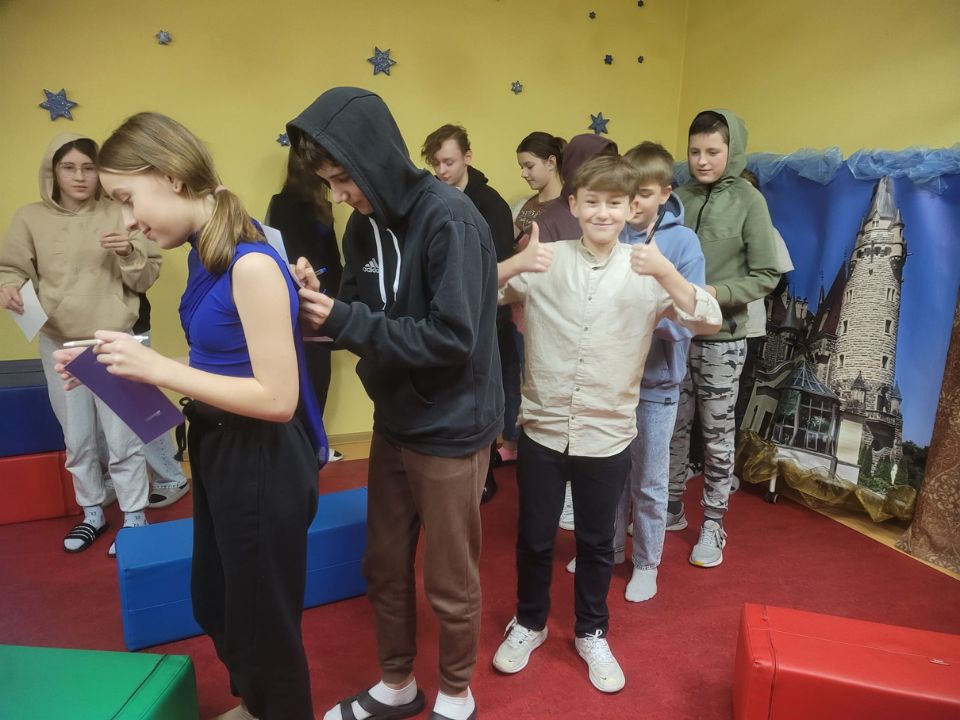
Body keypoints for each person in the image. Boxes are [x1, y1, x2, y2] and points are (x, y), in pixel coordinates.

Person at [56, 112, 326, 720]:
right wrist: (116, 365)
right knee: (216, 599)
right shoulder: (209, 254)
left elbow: (278, 398)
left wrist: (155, 366)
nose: (128, 220)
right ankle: (257, 705)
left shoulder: (251, 263)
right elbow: (216, 364)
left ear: (172, 176)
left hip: (261, 456)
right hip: (219, 444)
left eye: (127, 198)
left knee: (263, 623)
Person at [288, 87, 502, 720]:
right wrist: (318, 302)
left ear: (374, 157)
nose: (339, 194)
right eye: (328, 183)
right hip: (397, 419)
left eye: (343, 178)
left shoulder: (451, 219)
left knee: (449, 577)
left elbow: (454, 338)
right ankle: (397, 685)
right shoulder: (362, 225)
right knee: (383, 564)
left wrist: (345, 319)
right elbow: (362, 310)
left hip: (452, 425)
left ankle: (457, 695)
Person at [492, 155, 721, 693]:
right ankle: (529, 621)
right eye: (591, 201)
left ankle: (591, 630)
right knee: (535, 537)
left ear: (630, 207)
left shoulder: (646, 267)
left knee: (597, 542)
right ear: (573, 205)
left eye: (614, 203)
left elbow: (707, 319)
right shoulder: (545, 259)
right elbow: (471, 293)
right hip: (544, 429)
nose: (602, 212)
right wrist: (514, 263)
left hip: (608, 433)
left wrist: (666, 272)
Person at [0, 133, 160, 555]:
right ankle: (92, 512)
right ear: (52, 172)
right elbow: (11, 268)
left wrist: (128, 252)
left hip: (114, 340)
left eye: (89, 168)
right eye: (69, 167)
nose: (80, 176)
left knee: (123, 437)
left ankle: (135, 516)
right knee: (78, 437)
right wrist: (8, 286)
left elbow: (146, 277)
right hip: (59, 342)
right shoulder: (30, 217)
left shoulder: (121, 212)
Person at [575, 142, 706, 603]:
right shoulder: (611, 236)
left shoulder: (682, 243)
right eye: (628, 194)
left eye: (644, 195)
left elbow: (690, 316)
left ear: (665, 194)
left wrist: (645, 315)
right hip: (610, 382)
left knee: (649, 481)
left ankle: (647, 563)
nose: (633, 205)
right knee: (606, 476)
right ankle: (607, 549)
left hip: (656, 384)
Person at [669, 109, 781, 568]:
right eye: (694, 151)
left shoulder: (750, 201)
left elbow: (767, 274)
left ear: (732, 151)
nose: (702, 160)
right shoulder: (677, 198)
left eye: (713, 152)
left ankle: (713, 522)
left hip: (722, 339)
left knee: (716, 436)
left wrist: (717, 293)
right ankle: (670, 507)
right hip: (675, 337)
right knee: (673, 430)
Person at [420, 123, 514, 504]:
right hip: (445, 317)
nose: (441, 170)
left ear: (468, 158)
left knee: (481, 403)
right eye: (436, 163)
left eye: (449, 162)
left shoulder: (491, 205)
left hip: (486, 321)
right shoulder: (431, 199)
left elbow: (500, 268)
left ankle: (484, 474)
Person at [532, 132, 618, 532]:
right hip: (559, 340)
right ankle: (562, 495)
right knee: (559, 427)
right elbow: (530, 288)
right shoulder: (550, 220)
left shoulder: (611, 216)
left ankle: (587, 503)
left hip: (604, 343)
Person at [266, 148, 345, 462]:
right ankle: (305, 447)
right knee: (306, 375)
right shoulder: (283, 203)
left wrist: (340, 296)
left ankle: (316, 443)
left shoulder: (323, 204)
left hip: (326, 295)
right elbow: (288, 256)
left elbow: (332, 257)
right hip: (301, 298)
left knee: (319, 373)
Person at [734, 168, 793, 434]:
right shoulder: (711, 230)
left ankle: (724, 454)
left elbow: (780, 284)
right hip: (707, 326)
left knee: (736, 393)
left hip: (747, 328)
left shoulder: (768, 233)